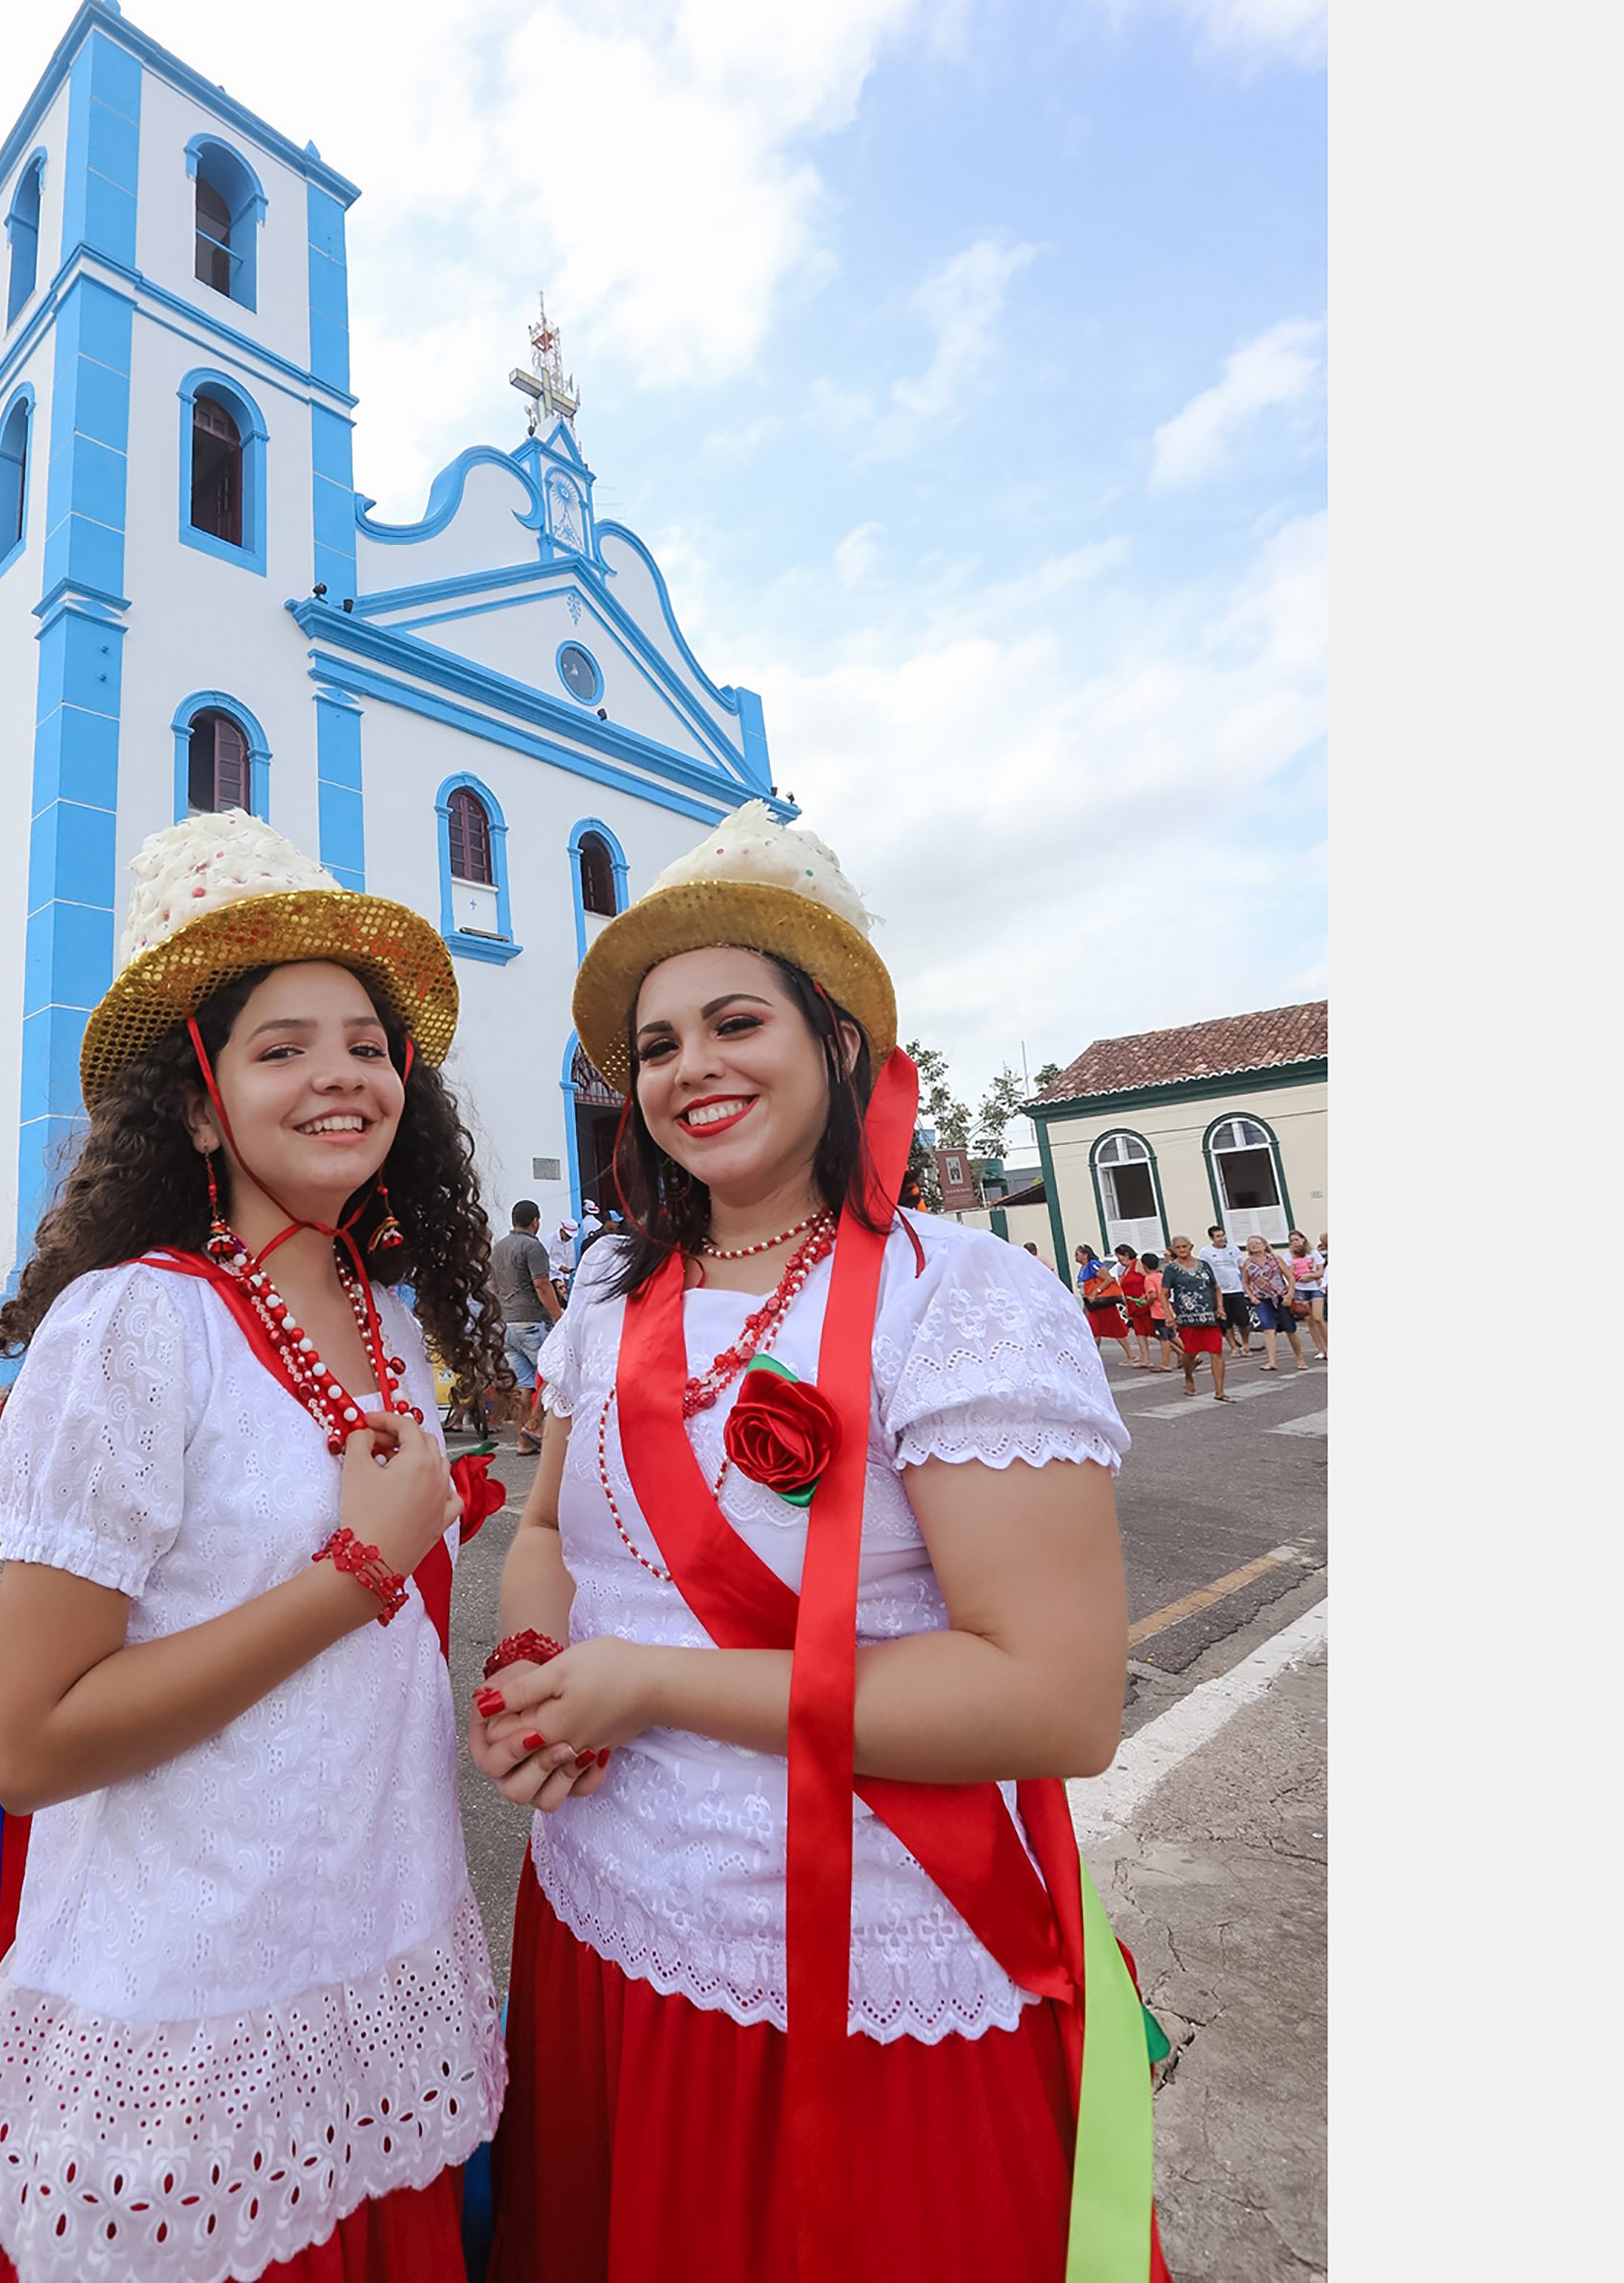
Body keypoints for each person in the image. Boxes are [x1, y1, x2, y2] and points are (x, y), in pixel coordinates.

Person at [470, 801, 1166, 2280]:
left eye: (734, 1021)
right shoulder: (605, 1301)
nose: (687, 1069)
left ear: (839, 1042)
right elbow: (544, 1533)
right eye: (654, 1046)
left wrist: (644, 1685)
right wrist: (537, 1660)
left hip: (850, 1972)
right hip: (600, 1918)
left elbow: (1051, 1700)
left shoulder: (958, 1297)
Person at [0, 810, 506, 2281]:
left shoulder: (391, 1325)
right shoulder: (132, 1323)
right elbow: (35, 1742)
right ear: (196, 1105)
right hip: (190, 2030)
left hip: (376, 1962)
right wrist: (356, 1573)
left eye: (367, 1044)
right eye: (281, 1045)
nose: (339, 1075)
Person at [491, 1199, 565, 1456]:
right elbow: (542, 1284)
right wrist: (558, 1316)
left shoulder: (498, 1248)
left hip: (507, 1322)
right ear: (535, 1220)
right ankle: (534, 1427)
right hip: (532, 1321)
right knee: (554, 1373)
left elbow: (495, 1286)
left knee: (523, 1384)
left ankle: (523, 1442)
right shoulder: (533, 1247)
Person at [1161, 1241, 1231, 1402]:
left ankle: (1219, 1391)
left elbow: (1216, 1288)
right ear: (1173, 1250)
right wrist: (1168, 1314)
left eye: (1184, 1246)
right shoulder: (1171, 1269)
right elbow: (1163, 1293)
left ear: (1191, 1247)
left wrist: (1220, 1307)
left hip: (1209, 1316)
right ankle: (1188, 1377)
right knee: (1190, 1352)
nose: (1182, 1250)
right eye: (1177, 1247)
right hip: (1187, 1318)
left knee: (1216, 1351)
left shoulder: (1204, 1265)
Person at [1240, 1234, 1310, 1373]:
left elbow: (1290, 1277)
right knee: (1268, 1328)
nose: (1254, 1245)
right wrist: (1252, 1296)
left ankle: (1300, 1358)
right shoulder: (1248, 1263)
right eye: (1251, 1243)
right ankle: (1271, 1361)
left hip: (1280, 1296)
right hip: (1262, 1298)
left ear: (1264, 1245)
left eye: (1257, 1243)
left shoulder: (1275, 1259)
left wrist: (1289, 1295)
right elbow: (1245, 1282)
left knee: (1290, 1329)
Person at [1197, 1225, 1255, 1357]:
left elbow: (1242, 1267)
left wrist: (1247, 1285)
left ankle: (1245, 1343)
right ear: (1211, 1238)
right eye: (1217, 1236)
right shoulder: (1205, 1252)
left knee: (1243, 1320)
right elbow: (1204, 1271)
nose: (1221, 1239)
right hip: (1219, 1291)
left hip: (1236, 1288)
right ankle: (1234, 1346)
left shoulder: (1233, 1249)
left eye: (1222, 1235)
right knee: (1225, 1322)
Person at [1121, 1244, 1164, 1370]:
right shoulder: (1125, 1269)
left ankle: (1182, 1352)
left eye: (1120, 1256)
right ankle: (1146, 1359)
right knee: (1139, 1332)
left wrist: (1147, 1296)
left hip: (1143, 1302)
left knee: (1154, 1330)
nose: (1119, 1260)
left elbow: (1150, 1277)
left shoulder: (1138, 1264)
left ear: (1126, 1255)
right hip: (1133, 1304)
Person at [1286, 1230, 1326, 1358]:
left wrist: (1311, 1275)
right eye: (1292, 1241)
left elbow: (1320, 1272)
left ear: (1303, 1240)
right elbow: (1289, 1274)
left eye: (1296, 1239)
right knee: (1310, 1320)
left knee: (1318, 1317)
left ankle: (1329, 1345)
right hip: (1300, 1289)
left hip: (1314, 1287)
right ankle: (1321, 1349)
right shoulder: (1289, 1256)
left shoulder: (1313, 1254)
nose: (1295, 1243)